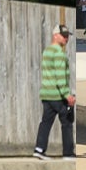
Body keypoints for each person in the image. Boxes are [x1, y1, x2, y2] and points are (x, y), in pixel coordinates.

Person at [34, 25, 76, 160]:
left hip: (46, 94)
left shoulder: (47, 51)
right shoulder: (58, 53)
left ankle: (39, 149)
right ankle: (68, 153)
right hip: (58, 96)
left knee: (45, 122)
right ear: (55, 35)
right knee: (67, 122)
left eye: (67, 35)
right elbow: (59, 76)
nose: (66, 38)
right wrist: (67, 95)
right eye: (63, 35)